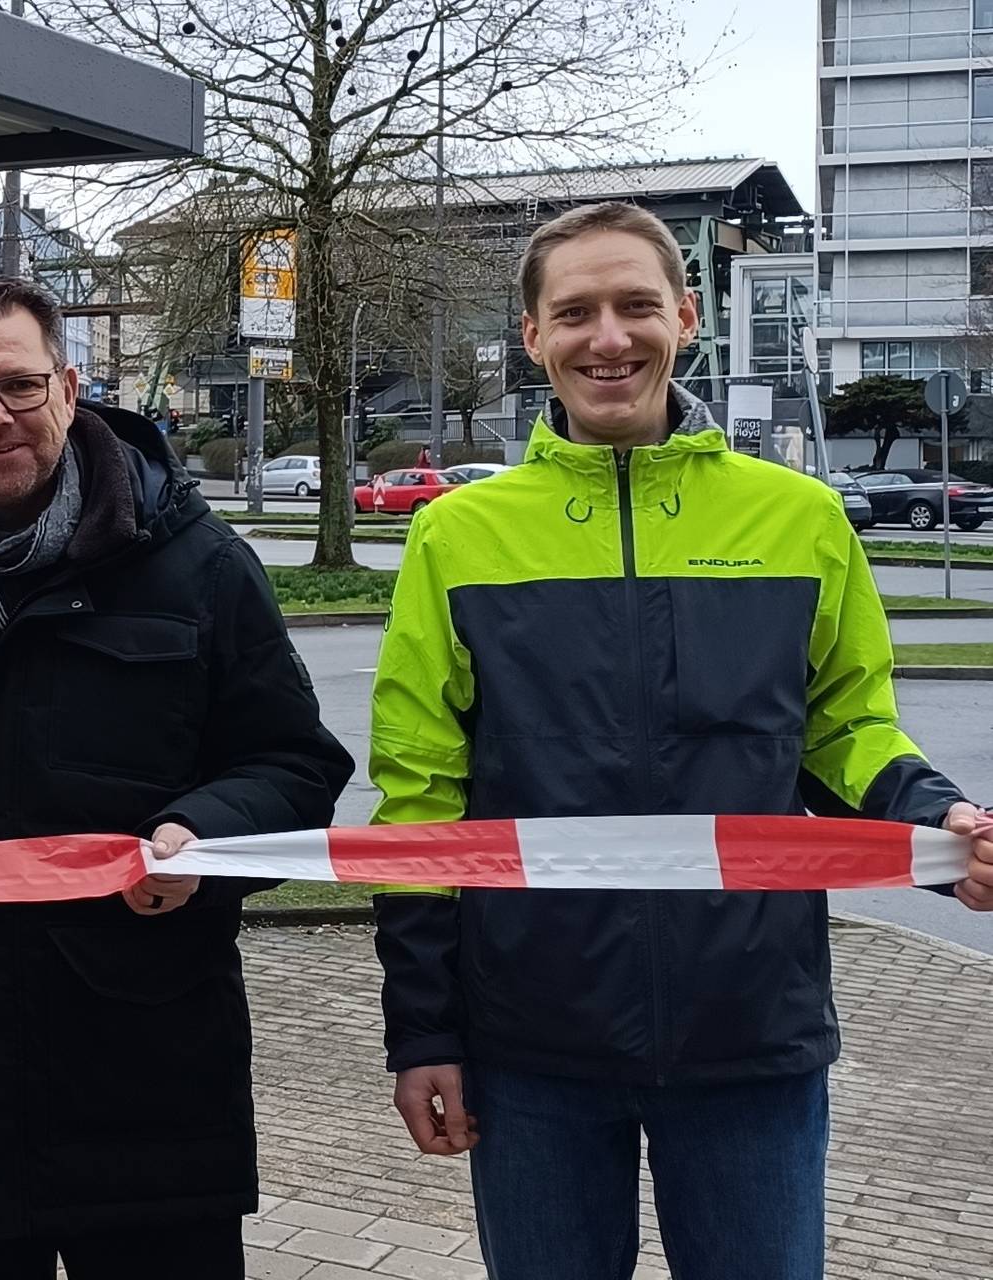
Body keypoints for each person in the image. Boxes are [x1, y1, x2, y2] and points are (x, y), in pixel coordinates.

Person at [367, 200, 993, 1280]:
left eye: (635, 305)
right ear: (532, 336)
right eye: (575, 311)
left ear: (687, 316)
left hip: (749, 1033)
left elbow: (844, 733)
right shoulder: (455, 534)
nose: (607, 337)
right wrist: (423, 1029)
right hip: (530, 1043)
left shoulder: (799, 518)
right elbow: (421, 796)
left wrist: (939, 826)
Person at [0, 277, 353, 1280]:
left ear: (70, 384)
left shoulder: (201, 566)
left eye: (17, 384)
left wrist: (203, 829)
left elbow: (295, 764)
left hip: (146, 1091)